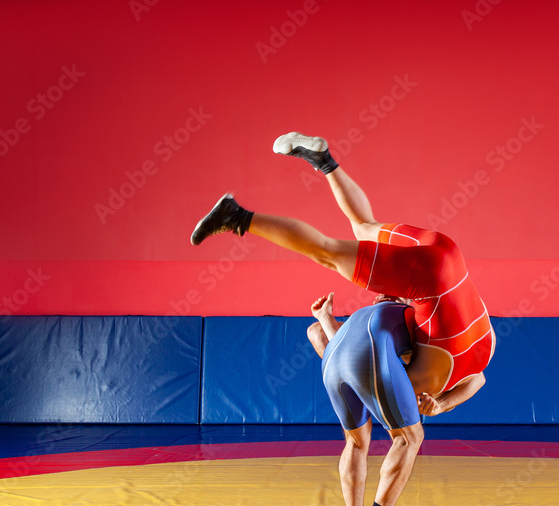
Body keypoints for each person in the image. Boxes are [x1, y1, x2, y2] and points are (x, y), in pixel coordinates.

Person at [190, 132, 494, 415]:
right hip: (430, 278)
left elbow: (478, 380)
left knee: (364, 226)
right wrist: (325, 322)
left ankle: (323, 160)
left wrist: (443, 405)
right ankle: (237, 217)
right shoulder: (418, 382)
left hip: (447, 252)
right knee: (327, 252)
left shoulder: (482, 355)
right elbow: (352, 359)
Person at [306, 291, 420, 506]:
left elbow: (315, 332)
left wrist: (324, 318)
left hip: (333, 363)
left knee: (356, 441)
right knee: (409, 437)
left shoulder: (359, 316)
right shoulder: (410, 316)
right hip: (367, 358)